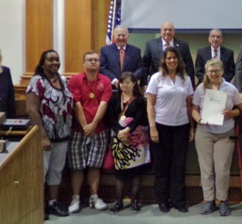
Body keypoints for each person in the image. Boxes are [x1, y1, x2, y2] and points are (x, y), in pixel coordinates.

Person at [25, 49, 74, 218]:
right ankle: (38, 204)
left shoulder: (63, 81)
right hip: (44, 136)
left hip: (62, 134)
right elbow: (31, 110)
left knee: (56, 170)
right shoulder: (37, 81)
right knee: (42, 170)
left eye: (57, 60)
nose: (55, 63)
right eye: (50, 60)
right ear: (42, 63)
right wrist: (42, 136)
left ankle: (53, 202)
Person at [191, 59, 242, 216]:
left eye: (216, 71)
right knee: (206, 169)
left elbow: (241, 109)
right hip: (204, 132)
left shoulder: (231, 89)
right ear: (206, 72)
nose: (213, 74)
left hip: (225, 133)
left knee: (222, 170)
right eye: (210, 71)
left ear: (222, 71)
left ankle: (223, 200)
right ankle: (209, 201)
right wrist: (199, 119)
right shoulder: (201, 88)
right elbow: (194, 109)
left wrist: (231, 113)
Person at [146, 47, 194, 213]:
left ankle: (178, 200)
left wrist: (191, 127)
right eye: (169, 58)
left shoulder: (185, 79)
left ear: (178, 60)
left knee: (179, 166)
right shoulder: (156, 78)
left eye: (174, 58)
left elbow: (189, 104)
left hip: (181, 126)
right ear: (164, 61)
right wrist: (152, 128)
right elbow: (150, 105)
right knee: (162, 166)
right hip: (161, 126)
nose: (172, 61)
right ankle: (163, 199)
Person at [66, 51, 112, 213]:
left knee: (94, 165)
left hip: (99, 130)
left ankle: (94, 197)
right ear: (83, 63)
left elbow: (103, 104)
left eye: (96, 60)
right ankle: (76, 198)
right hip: (78, 130)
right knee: (77, 166)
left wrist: (93, 125)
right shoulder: (75, 80)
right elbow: (76, 104)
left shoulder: (105, 81)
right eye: (90, 60)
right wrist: (86, 126)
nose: (93, 62)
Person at [106, 72, 150, 213]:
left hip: (136, 141)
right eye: (122, 82)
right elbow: (110, 119)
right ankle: (118, 202)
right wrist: (120, 132)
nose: (124, 85)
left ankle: (134, 202)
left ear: (134, 84)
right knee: (120, 173)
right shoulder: (114, 99)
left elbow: (138, 119)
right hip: (119, 140)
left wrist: (127, 131)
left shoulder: (140, 100)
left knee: (136, 173)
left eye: (127, 82)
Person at [143, 21, 195, 87]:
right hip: (158, 82)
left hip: (178, 83)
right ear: (161, 31)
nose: (167, 32)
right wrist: (144, 83)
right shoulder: (151, 44)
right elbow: (145, 66)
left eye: (170, 30)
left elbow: (189, 66)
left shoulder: (183, 45)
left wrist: (191, 85)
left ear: (174, 32)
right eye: (165, 30)